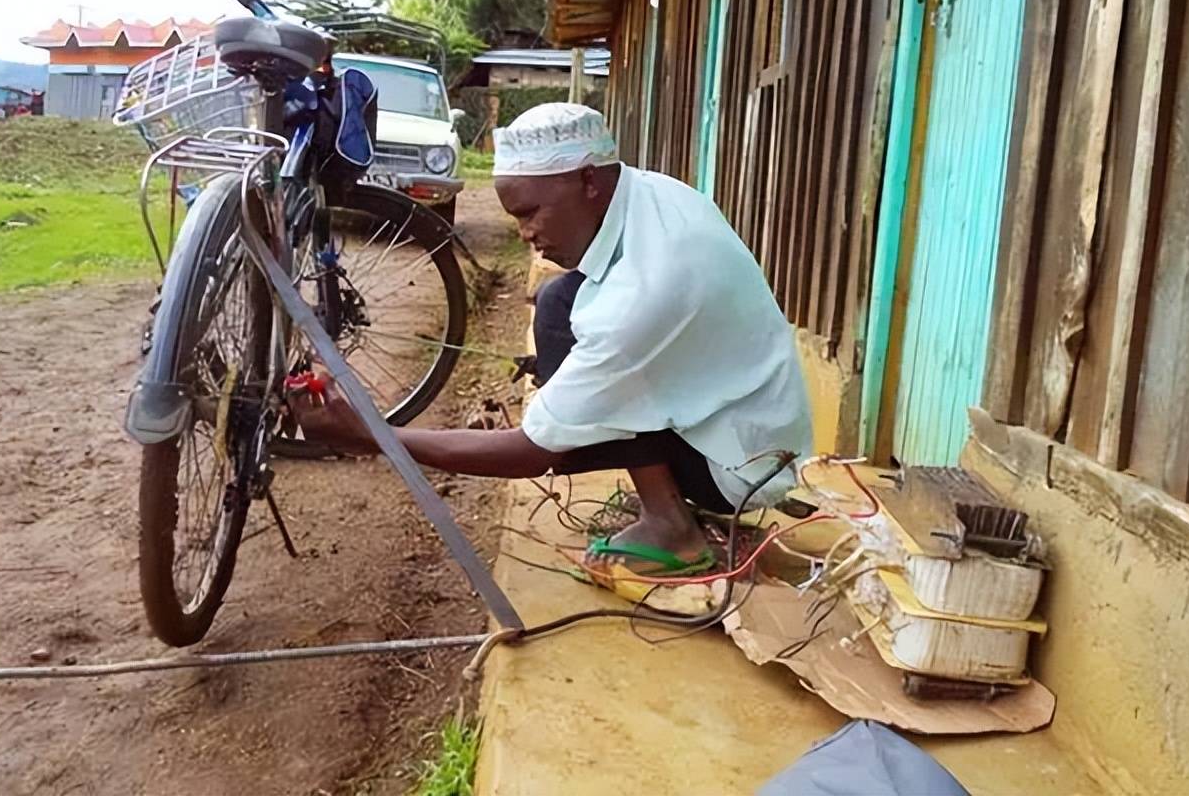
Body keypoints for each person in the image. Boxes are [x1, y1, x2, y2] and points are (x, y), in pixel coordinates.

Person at [290, 103, 813, 576]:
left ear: (587, 180)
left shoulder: (649, 289)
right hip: (744, 419)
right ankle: (663, 503)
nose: (525, 234)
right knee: (560, 302)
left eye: (529, 213)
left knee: (568, 392)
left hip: (737, 472)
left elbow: (532, 454)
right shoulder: (652, 194)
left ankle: (671, 527)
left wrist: (375, 436)